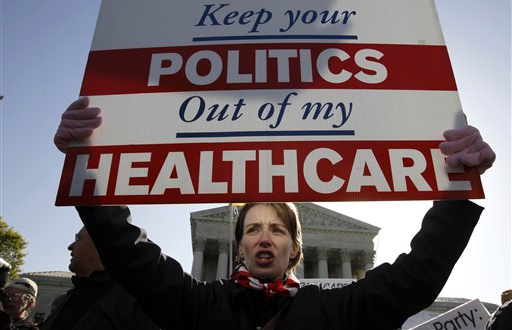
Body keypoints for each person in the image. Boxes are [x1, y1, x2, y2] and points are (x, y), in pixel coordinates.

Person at [54, 97, 496, 330]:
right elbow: (129, 255)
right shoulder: (200, 306)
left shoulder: (337, 310)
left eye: (278, 229)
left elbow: (418, 274)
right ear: (240, 245)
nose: (265, 237)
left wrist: (457, 188)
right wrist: (88, 164)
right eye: (253, 229)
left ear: (296, 247)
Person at [38, 227, 160, 330]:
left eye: (78, 238)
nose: (70, 246)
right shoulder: (68, 299)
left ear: (100, 245)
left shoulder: (133, 301)